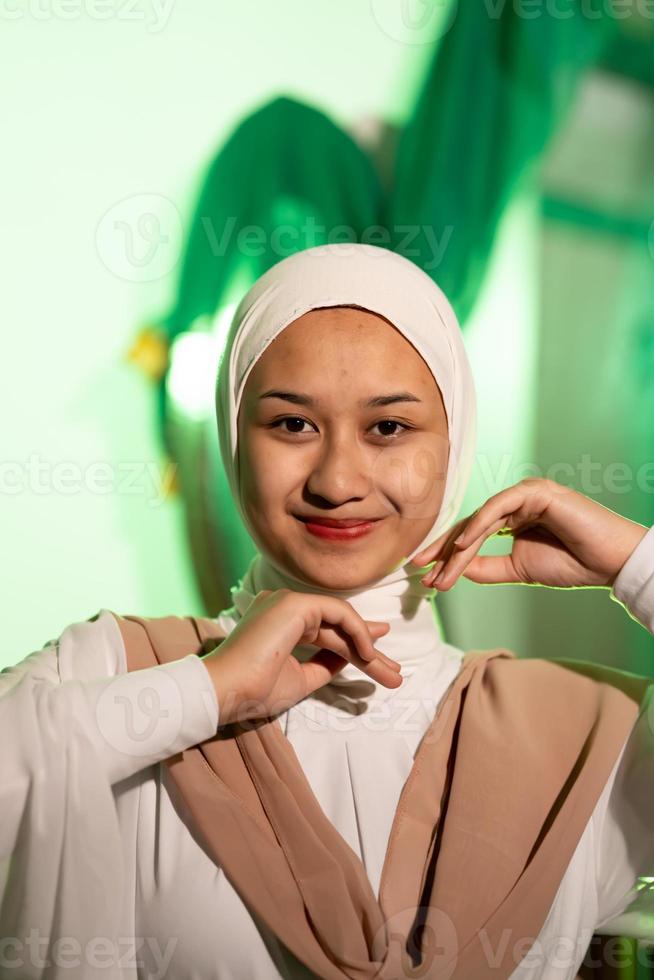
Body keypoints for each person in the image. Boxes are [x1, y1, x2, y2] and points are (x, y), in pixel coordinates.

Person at [1, 243, 653, 980]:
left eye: (388, 429)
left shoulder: (582, 734)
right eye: (291, 425)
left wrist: (636, 563)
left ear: (456, 442)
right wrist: (206, 692)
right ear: (232, 438)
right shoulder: (120, 671)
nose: (338, 480)